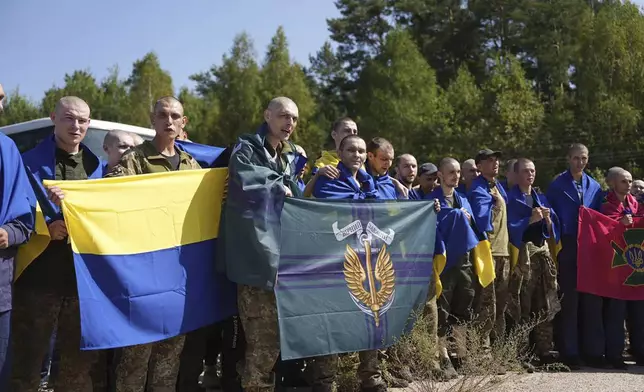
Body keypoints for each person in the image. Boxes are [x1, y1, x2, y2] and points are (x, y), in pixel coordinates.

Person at [13, 96, 105, 392]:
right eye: (69, 118)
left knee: (77, 364)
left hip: (81, 281)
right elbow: (13, 209)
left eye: (82, 120)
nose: (76, 126)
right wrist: (46, 226)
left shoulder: (98, 168)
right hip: (38, 277)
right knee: (26, 360)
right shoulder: (26, 162)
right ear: (53, 117)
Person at [220, 97, 302, 392]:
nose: (289, 123)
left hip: (282, 259)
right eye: (283, 116)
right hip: (255, 258)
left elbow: (298, 194)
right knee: (263, 340)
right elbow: (244, 178)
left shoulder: (291, 155)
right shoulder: (247, 148)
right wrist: (278, 186)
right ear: (267, 115)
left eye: (293, 118)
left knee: (275, 340)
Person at [546, 143, 602, 370]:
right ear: (568, 159)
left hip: (589, 249)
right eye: (576, 158)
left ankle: (592, 351)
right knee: (569, 301)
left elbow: (600, 219)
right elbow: (552, 216)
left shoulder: (595, 186)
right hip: (567, 246)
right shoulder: (557, 185)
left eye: (584, 158)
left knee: (590, 302)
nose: (580, 162)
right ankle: (569, 351)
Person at [427, 158, 478, 380]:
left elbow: (476, 230)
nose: (456, 176)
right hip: (445, 265)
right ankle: (443, 357)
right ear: (440, 174)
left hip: (465, 264)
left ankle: (461, 356)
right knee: (442, 311)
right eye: (451, 172)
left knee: (463, 309)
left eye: (458, 172)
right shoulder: (432, 200)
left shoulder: (463, 199)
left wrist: (467, 218)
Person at [506, 158, 560, 365]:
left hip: (542, 257)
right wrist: (529, 220)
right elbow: (510, 228)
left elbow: (551, 228)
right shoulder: (511, 198)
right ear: (517, 174)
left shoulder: (539, 196)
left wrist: (547, 219)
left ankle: (545, 350)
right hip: (524, 259)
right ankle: (521, 352)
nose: (530, 175)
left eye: (533, 171)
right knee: (522, 306)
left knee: (544, 304)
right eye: (526, 171)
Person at [0, 82, 36, 391]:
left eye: (1, 99)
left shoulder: (8, 150)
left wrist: (7, 234)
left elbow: (25, 222)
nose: (0, 107)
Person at [600, 167, 643, 369]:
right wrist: (619, 223)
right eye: (624, 181)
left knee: (638, 310)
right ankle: (614, 354)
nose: (628, 185)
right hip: (616, 266)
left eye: (630, 181)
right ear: (612, 183)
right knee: (616, 312)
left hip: (635, 266)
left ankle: (640, 351)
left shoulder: (635, 204)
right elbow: (602, 229)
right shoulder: (606, 204)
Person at [468, 149, 510, 353]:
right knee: (486, 304)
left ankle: (498, 350)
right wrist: (492, 206)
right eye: (489, 160)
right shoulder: (478, 189)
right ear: (479, 165)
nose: (495, 164)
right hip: (488, 253)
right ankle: (481, 351)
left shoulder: (497, 186)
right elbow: (480, 220)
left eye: (496, 160)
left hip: (503, 252)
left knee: (501, 304)